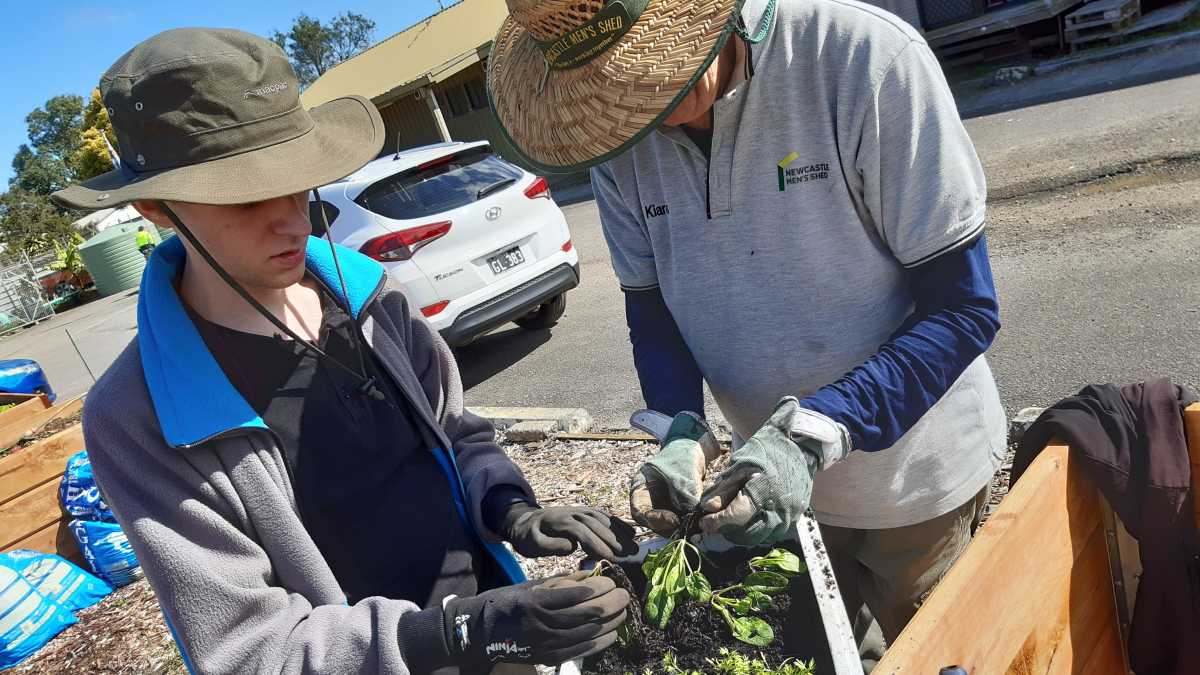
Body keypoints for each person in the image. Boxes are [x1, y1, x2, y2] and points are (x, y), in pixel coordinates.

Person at [54, 28, 636, 675]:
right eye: (246, 197)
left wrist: (511, 506)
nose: (291, 218)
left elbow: (456, 432)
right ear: (156, 206)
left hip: (494, 638)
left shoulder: (366, 293)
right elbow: (245, 647)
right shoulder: (142, 415)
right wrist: (453, 634)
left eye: (299, 180)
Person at [487, 0, 1006, 667]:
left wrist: (817, 431)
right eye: (622, 96)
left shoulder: (863, 60)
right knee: (827, 651)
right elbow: (655, 317)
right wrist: (680, 430)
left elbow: (963, 308)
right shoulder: (616, 140)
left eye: (660, 78)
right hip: (774, 498)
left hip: (915, 483)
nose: (652, 113)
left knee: (935, 651)